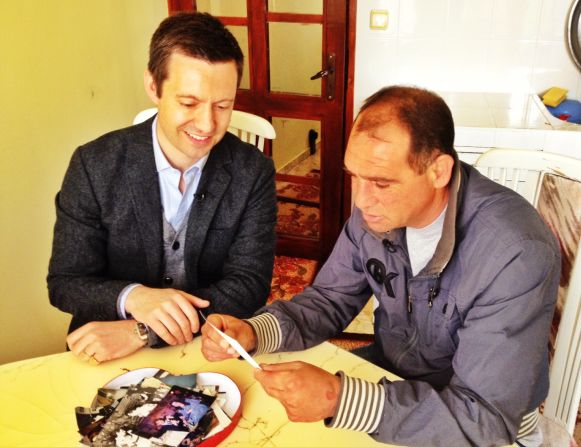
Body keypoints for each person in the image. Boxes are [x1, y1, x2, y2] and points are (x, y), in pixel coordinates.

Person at [200, 86, 561, 446]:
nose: (361, 199)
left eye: (382, 183)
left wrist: (339, 399)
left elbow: (484, 419)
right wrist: (255, 332)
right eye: (354, 176)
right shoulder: (377, 215)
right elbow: (329, 299)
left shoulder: (515, 252)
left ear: (439, 171)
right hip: (394, 376)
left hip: (484, 422)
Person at [48, 12, 277, 364]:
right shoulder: (93, 164)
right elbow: (65, 282)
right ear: (153, 87)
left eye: (223, 106)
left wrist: (144, 330)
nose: (207, 125)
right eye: (189, 103)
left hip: (206, 347)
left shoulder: (253, 170)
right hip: (108, 349)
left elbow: (248, 285)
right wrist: (134, 297)